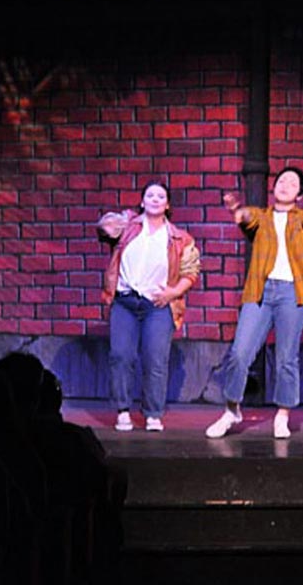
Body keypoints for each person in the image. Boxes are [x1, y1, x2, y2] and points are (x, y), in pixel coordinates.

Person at [205, 167, 303, 439]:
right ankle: (231, 410)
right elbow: (245, 218)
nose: (285, 184)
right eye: (281, 180)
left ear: (300, 193)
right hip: (261, 291)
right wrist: (236, 208)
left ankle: (282, 416)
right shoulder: (262, 216)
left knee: (287, 358)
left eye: (293, 182)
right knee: (239, 354)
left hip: (293, 293)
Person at [97, 180, 201, 432]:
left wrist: (173, 293)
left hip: (158, 304)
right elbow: (104, 227)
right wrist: (126, 218)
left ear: (167, 205)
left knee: (155, 358)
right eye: (150, 195)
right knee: (121, 355)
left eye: (160, 196)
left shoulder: (180, 238)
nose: (155, 199)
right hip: (125, 301)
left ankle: (153, 413)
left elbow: (191, 271)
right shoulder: (129, 228)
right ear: (143, 201)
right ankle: (123, 410)